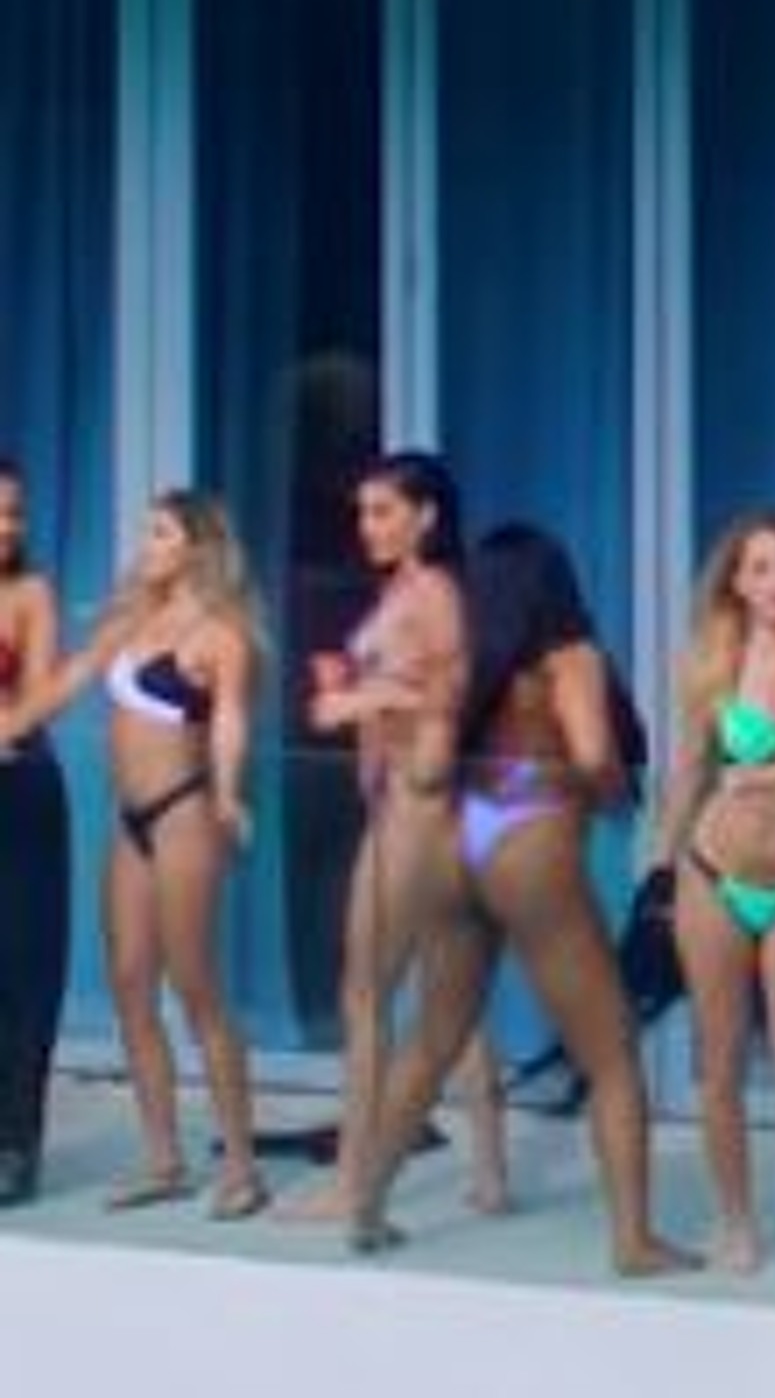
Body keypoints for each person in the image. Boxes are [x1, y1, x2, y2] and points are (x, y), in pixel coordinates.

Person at [346, 524, 692, 1274]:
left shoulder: (457, 658)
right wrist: (611, 792)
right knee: (612, 1052)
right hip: (530, 831)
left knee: (433, 1037)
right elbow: (594, 755)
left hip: (456, 837)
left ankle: (366, 1206)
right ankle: (633, 1240)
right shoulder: (569, 654)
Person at [0, 487, 266, 1219]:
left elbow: (231, 723)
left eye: (160, 534)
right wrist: (10, 727)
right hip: (130, 822)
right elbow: (65, 683)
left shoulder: (221, 636)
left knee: (197, 987)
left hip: (183, 812)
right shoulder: (132, 620)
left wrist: (229, 795)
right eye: (148, 533)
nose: (146, 547)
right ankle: (163, 1159)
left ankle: (242, 1166)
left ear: (197, 548)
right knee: (129, 983)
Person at [295, 448, 485, 1235]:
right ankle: (492, 1171)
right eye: (363, 513)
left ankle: (352, 1181)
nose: (367, 527)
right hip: (402, 802)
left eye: (383, 512)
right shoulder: (402, 589)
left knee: (365, 991)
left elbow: (450, 693)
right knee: (449, 998)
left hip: (418, 806)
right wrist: (347, 687)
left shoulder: (433, 589)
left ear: (425, 516)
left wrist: (362, 698)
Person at [658, 508, 775, 1273]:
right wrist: (661, 866)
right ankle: (735, 1219)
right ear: (736, 581)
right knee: (721, 1063)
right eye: (761, 568)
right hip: (715, 872)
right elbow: (689, 772)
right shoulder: (713, 658)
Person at [0, 460, 69, 1208]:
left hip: (18, 786)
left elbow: (43, 693)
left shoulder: (32, 594)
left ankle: (17, 1144)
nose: (7, 528)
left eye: (15, 513)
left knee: (23, 969)